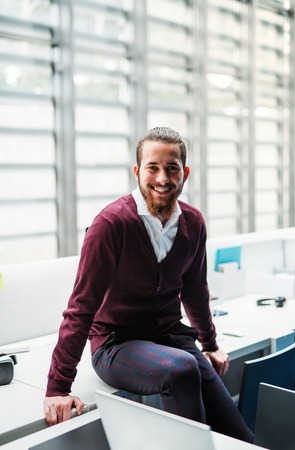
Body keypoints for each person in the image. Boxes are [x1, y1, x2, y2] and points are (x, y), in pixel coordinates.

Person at [44, 127, 253, 442]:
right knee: (182, 369)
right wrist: (58, 387)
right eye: (153, 167)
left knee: (240, 437)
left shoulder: (193, 223)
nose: (163, 178)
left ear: (185, 173)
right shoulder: (112, 225)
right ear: (137, 171)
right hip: (116, 345)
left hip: (171, 340)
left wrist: (209, 344)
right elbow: (81, 308)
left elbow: (195, 291)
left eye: (172, 168)